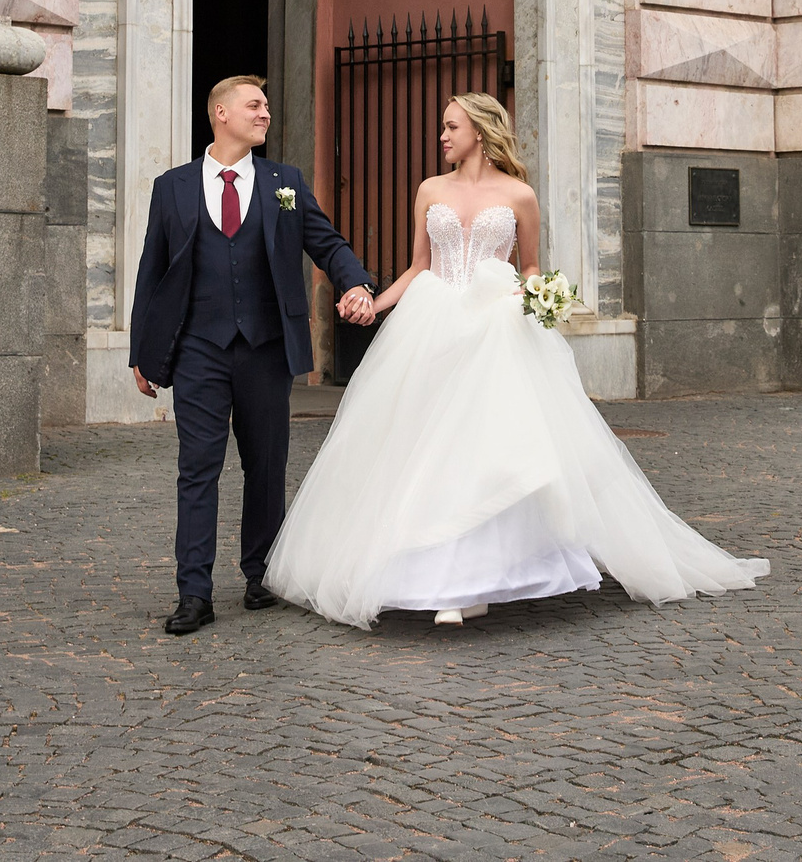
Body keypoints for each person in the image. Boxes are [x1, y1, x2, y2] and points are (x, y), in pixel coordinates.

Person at [265, 93, 768, 629]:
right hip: (432, 328)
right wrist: (372, 303)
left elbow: (529, 266)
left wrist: (534, 293)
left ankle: (477, 580)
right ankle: (445, 579)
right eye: (443, 126)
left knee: (488, 452)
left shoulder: (519, 195)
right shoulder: (430, 189)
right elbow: (419, 267)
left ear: (479, 132)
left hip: (495, 329)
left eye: (451, 126)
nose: (442, 136)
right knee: (428, 451)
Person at [129, 75, 376, 636]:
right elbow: (152, 270)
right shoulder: (172, 186)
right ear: (221, 113)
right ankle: (194, 593)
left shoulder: (285, 183)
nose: (265, 113)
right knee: (197, 468)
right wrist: (143, 352)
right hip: (198, 349)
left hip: (266, 348)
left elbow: (327, 242)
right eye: (254, 104)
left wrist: (356, 282)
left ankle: (261, 573)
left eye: (266, 105)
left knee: (265, 465)